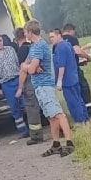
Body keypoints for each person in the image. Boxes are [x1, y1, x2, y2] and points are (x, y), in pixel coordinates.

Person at [19, 20, 73, 157]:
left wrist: (29, 67)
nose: (25, 34)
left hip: (44, 85)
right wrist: (28, 67)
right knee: (51, 116)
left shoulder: (38, 47)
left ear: (31, 32)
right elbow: (24, 65)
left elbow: (29, 69)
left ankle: (69, 142)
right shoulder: (34, 47)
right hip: (39, 86)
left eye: (26, 32)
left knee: (58, 113)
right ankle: (56, 144)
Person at [0, 35, 26, 137]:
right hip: (6, 84)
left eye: (0, 41)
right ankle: (23, 131)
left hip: (17, 79)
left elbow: (18, 63)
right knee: (14, 107)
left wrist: (22, 78)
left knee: (25, 104)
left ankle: (32, 127)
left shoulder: (11, 50)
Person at [50, 29, 90, 125]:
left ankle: (80, 122)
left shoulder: (60, 48)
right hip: (74, 77)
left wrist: (59, 81)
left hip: (67, 81)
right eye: (50, 37)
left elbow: (62, 66)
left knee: (72, 102)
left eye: (52, 36)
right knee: (79, 99)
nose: (51, 39)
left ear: (59, 35)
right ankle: (86, 120)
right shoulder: (67, 44)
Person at [61, 23, 91, 120]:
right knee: (84, 88)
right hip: (74, 71)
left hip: (64, 73)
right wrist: (88, 58)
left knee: (72, 94)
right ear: (71, 30)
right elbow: (77, 51)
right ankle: (89, 113)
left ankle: (77, 115)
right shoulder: (71, 38)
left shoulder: (58, 42)